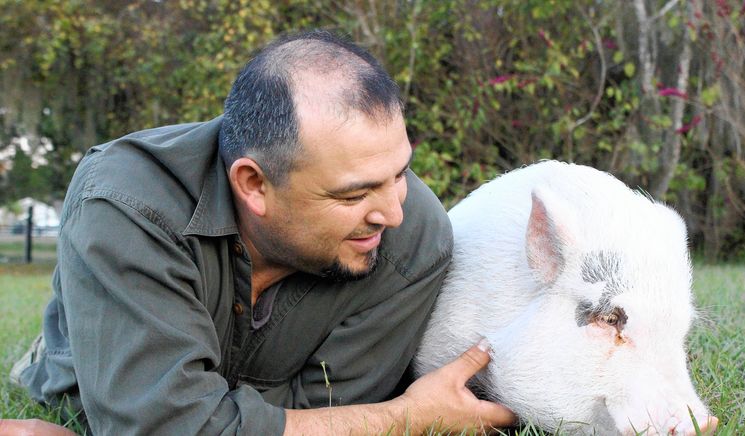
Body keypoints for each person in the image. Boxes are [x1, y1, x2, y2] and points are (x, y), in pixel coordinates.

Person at [4, 29, 515, 435]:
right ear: (253, 183)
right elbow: (159, 427)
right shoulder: (128, 203)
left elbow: (331, 409)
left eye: (399, 174)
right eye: (353, 195)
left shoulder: (415, 239)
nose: (392, 213)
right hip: (77, 393)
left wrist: (203, 416)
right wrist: (404, 419)